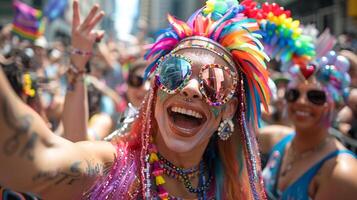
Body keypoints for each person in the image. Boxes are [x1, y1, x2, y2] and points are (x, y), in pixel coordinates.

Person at [0, 0, 271, 199]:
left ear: (228, 110)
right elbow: (36, 158)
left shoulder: (232, 188)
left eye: (215, 82)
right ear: (155, 91)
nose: (190, 89)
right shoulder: (110, 167)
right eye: (174, 72)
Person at [261, 51, 357, 199]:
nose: (301, 102)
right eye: (293, 94)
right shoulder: (276, 138)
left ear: (337, 104)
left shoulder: (342, 172)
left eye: (316, 97)